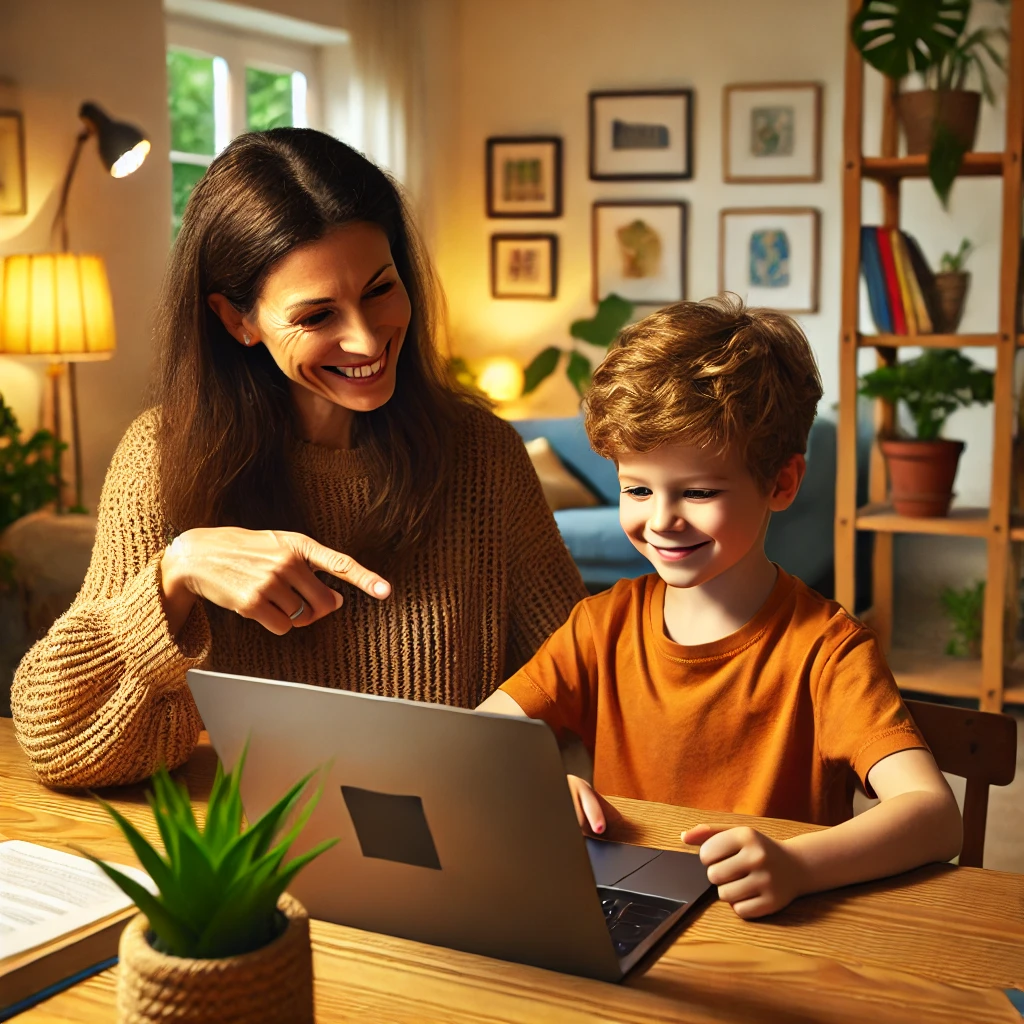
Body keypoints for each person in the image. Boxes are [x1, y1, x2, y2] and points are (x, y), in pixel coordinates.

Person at [12, 128, 585, 790]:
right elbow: (58, 742)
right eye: (316, 316)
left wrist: (559, 762)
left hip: (453, 859)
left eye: (379, 289)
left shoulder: (484, 455)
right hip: (248, 864)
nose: (367, 338)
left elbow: (578, 676)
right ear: (237, 321)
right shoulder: (158, 459)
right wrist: (176, 574)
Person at [479, 296, 962, 919]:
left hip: (772, 935)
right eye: (636, 489)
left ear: (782, 484)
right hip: (629, 919)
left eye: (699, 491)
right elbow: (478, 738)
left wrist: (797, 864)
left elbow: (933, 814)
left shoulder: (829, 649)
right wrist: (538, 785)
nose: (660, 520)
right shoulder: (602, 623)